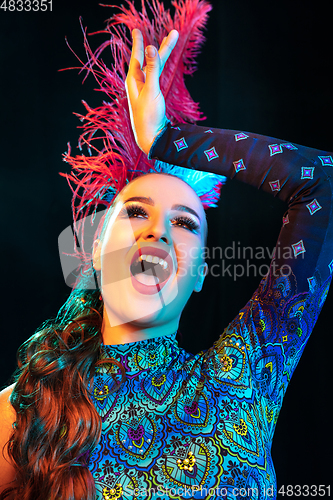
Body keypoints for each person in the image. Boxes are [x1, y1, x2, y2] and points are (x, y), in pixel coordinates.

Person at [0, 2, 332, 500]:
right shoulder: (26, 410)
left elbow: (322, 182)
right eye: (135, 212)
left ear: (199, 273)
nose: (157, 232)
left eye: (183, 223)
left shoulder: (245, 374)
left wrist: (166, 139)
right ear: (93, 255)